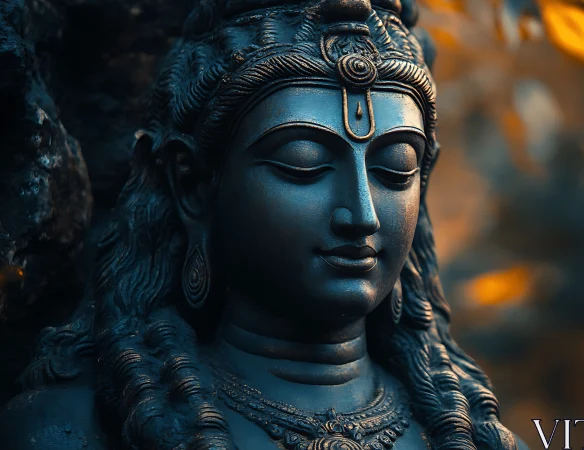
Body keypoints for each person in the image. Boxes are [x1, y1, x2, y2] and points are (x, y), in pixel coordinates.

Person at [0, 0, 529, 449]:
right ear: (192, 186)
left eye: (395, 169)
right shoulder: (68, 430)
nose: (362, 214)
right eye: (302, 163)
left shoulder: (469, 434)